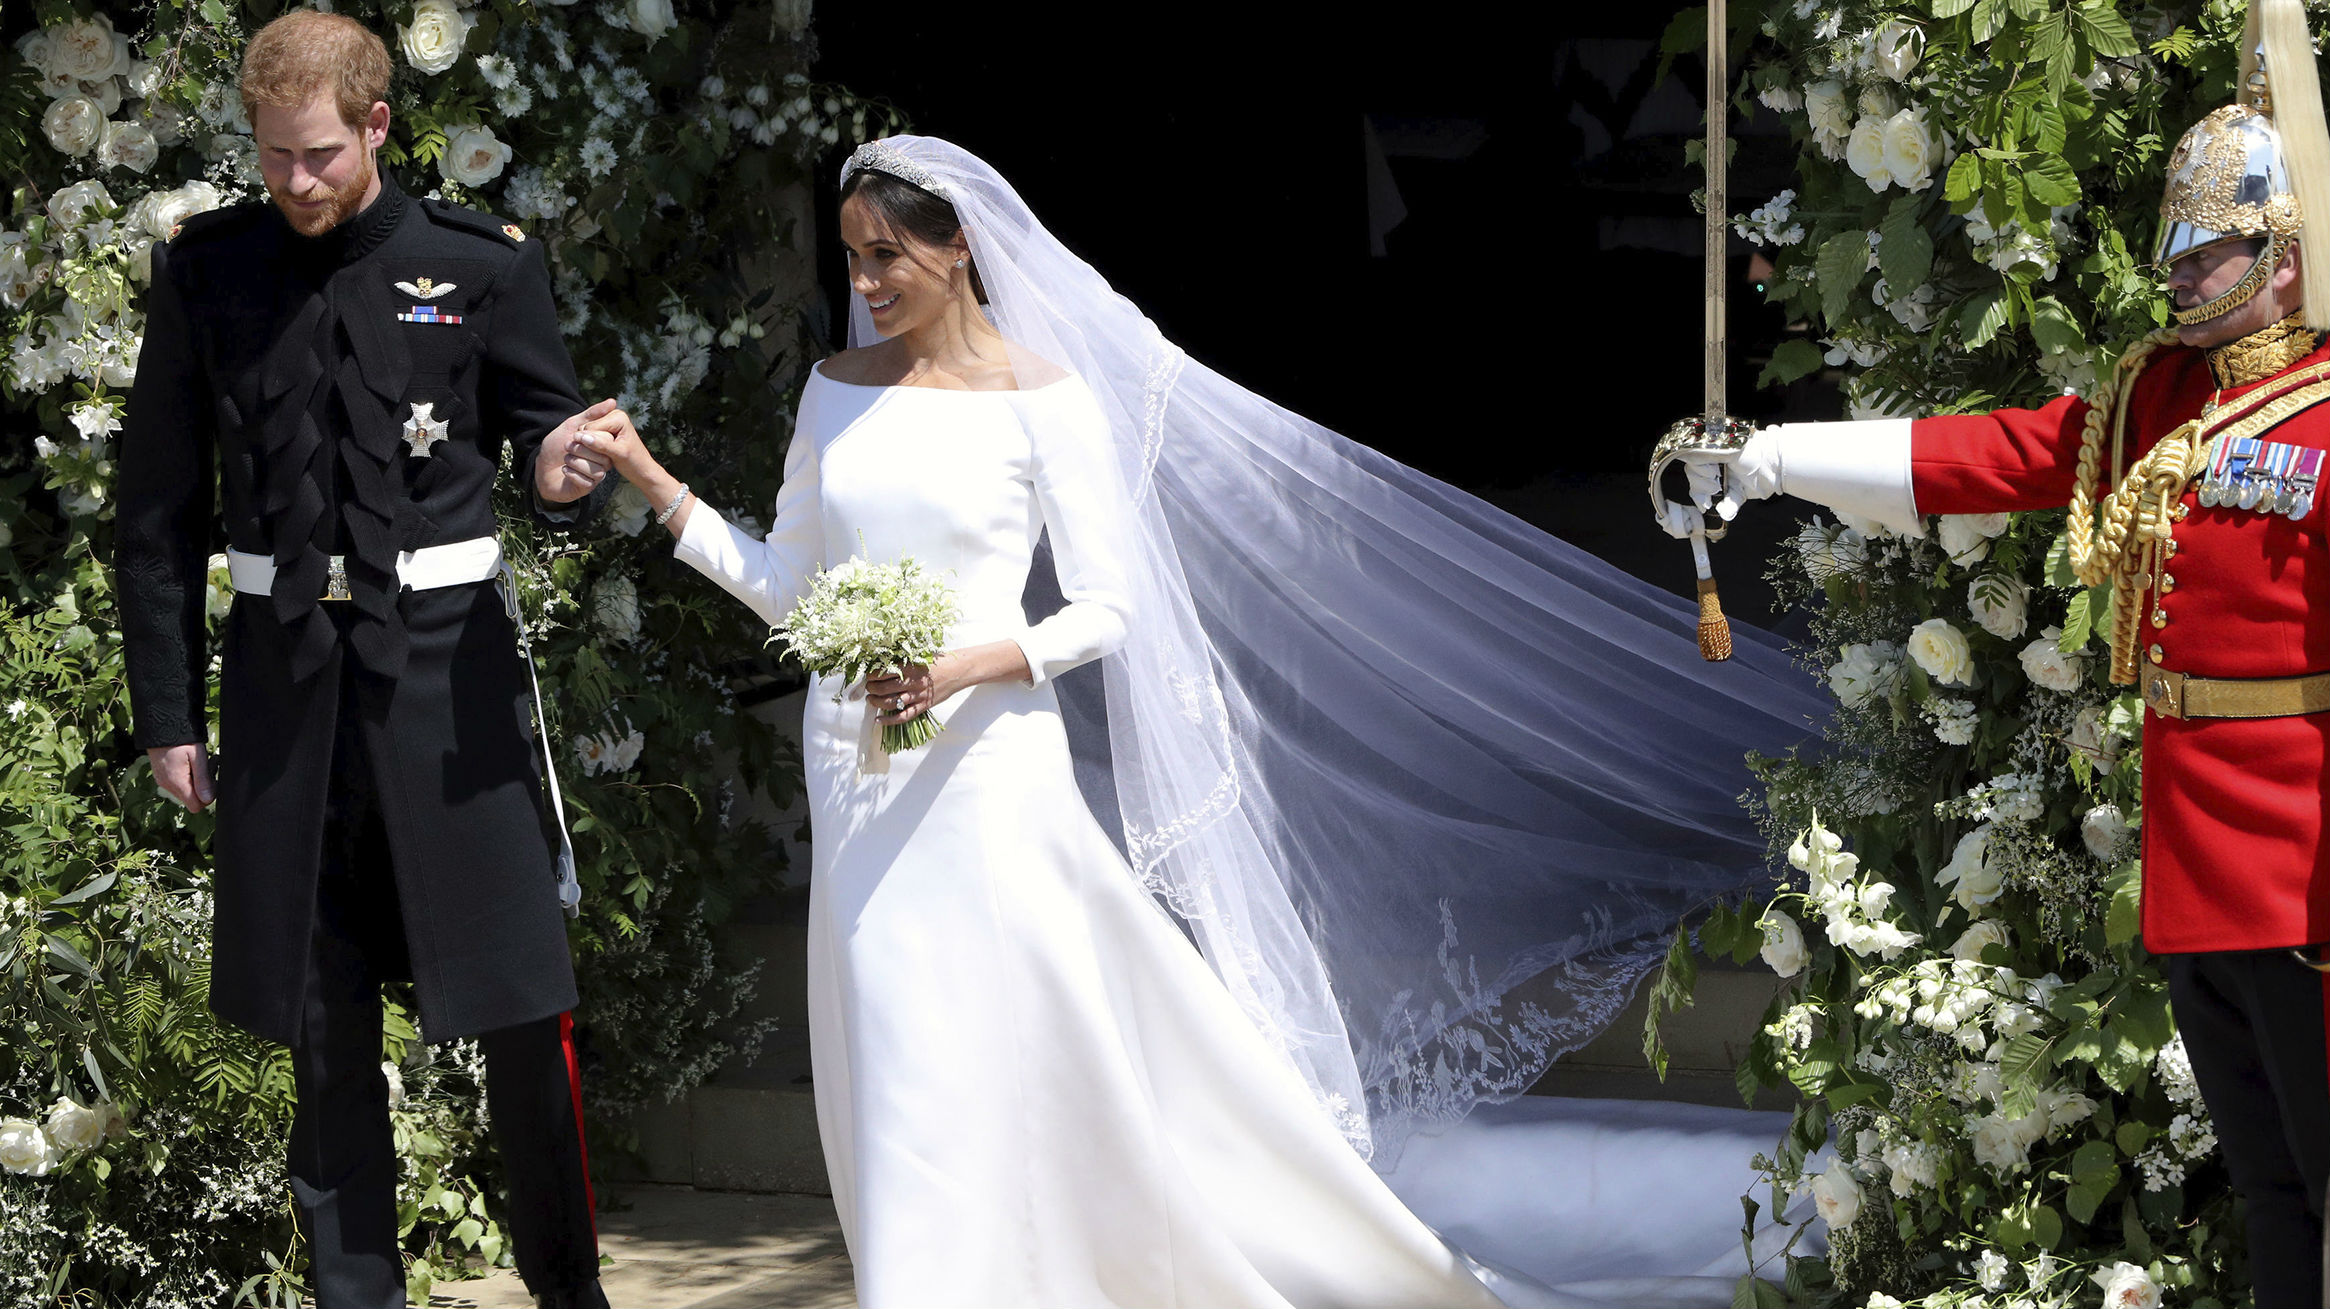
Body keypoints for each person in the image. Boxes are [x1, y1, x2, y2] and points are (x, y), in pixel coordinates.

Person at [577, 135, 1827, 1306]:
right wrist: (653, 481)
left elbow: (1108, 606)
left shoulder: (1043, 397)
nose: (863, 283)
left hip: (986, 764)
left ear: (958, 248)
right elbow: (791, 587)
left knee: (1010, 1026)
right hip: (855, 763)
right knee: (891, 1038)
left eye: (885, 255)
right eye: (851, 257)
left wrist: (974, 662)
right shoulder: (833, 390)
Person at [1672, 2, 2330, 1303]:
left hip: (2304, 873)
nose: (2181, 274)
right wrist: (1768, 459)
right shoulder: (2157, 394)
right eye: (2179, 248)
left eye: (2212, 251)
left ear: (2286, 260)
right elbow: (1995, 456)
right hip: (2198, 859)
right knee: (2267, 1189)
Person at [113, 12, 618, 1308]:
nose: (296, 181)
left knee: (524, 1012)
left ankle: (569, 1288)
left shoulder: (481, 263)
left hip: (453, 692)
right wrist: (168, 713)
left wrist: (563, 476)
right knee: (319, 1024)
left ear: (378, 126)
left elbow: (549, 439)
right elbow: (156, 509)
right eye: (275, 155)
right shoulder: (207, 268)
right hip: (284, 695)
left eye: (321, 154)